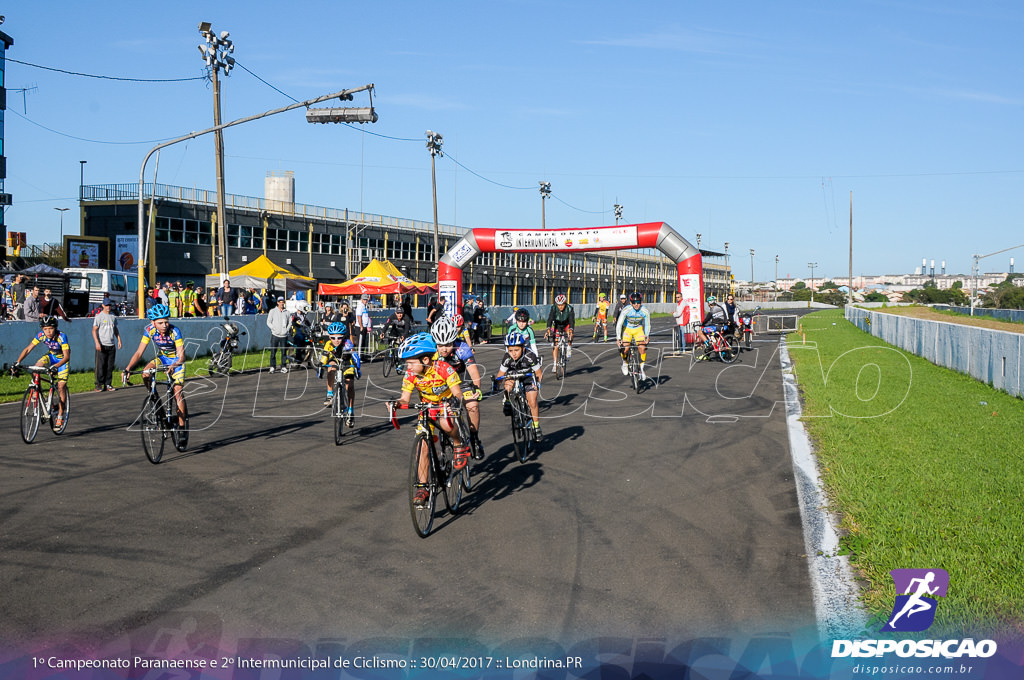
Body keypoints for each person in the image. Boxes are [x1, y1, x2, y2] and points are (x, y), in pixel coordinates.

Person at [391, 332, 469, 507]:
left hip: (446, 405)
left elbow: (457, 392)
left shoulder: (443, 368)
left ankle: (458, 444)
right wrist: (397, 403)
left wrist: (454, 401)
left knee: (445, 423)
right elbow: (405, 398)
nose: (408, 366)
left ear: (425, 360)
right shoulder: (411, 374)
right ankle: (422, 486)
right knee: (422, 447)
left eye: (410, 362)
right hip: (427, 409)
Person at [122, 303, 188, 431]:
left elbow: (182, 357)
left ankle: (181, 427)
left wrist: (174, 365)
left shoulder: (175, 331)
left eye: (166, 322)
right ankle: (154, 399)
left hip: (176, 360)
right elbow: (139, 352)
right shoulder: (149, 330)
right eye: (160, 323)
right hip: (163, 358)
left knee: (177, 392)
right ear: (153, 323)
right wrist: (128, 368)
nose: (164, 325)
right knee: (145, 373)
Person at [431, 316, 485, 458]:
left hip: (461, 381)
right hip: (442, 384)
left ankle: (474, 437)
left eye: (448, 345)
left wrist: (477, 389)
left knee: (472, 405)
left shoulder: (462, 347)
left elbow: (473, 371)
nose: (444, 349)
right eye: (440, 345)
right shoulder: (431, 350)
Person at [14, 316, 71, 428]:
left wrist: (56, 366)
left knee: (61, 386)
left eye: (50, 328)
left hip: (62, 360)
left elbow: (67, 356)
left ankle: (60, 415)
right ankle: (36, 390)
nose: (48, 332)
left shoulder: (61, 337)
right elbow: (28, 349)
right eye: (45, 329)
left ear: (55, 328)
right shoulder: (41, 335)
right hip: (51, 356)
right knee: (36, 368)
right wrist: (17, 362)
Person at [495, 329, 544, 441]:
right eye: (510, 350)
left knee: (532, 401)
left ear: (523, 347)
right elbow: (500, 374)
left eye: (516, 350)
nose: (513, 353)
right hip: (514, 375)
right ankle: (508, 401)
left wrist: (537, 384)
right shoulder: (507, 357)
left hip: (528, 376)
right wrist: (496, 384)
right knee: (507, 384)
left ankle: (536, 426)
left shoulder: (530, 356)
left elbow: (539, 373)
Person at [320, 321, 361, 426]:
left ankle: (350, 411)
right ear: (329, 337)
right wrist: (320, 366)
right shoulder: (328, 344)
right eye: (333, 338)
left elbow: (355, 356)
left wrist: (358, 368)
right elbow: (324, 356)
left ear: (343, 337)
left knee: (349, 385)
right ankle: (329, 395)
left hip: (347, 363)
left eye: (339, 337)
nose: (336, 340)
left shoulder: (347, 343)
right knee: (331, 367)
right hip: (335, 361)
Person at [616, 292, 651, 380]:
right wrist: (618, 338)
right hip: (627, 329)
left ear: (641, 302)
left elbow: (647, 324)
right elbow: (619, 324)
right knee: (625, 348)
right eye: (634, 302)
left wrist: (646, 335)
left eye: (638, 302)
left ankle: (642, 369)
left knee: (642, 347)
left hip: (638, 329)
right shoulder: (626, 310)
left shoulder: (645, 311)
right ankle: (625, 362)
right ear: (631, 303)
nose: (636, 304)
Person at [92, 298, 122, 392]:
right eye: (106, 305)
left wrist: (119, 340)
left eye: (109, 305)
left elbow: (115, 329)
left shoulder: (113, 317)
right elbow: (94, 330)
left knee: (110, 366)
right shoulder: (99, 317)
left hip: (111, 344)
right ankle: (99, 384)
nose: (108, 307)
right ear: (103, 305)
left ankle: (108, 383)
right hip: (102, 344)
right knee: (100, 365)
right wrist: (97, 342)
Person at [544, 293, 575, 374]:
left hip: (566, 324)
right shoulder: (554, 308)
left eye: (562, 305)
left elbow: (572, 320)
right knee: (555, 344)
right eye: (558, 305)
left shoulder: (569, 308)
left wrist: (571, 329)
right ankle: (555, 364)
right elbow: (550, 318)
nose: (560, 307)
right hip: (557, 325)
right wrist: (548, 329)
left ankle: (569, 347)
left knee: (570, 333)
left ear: (565, 303)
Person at [266, 297, 291, 373]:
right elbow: (268, 322)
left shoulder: (287, 312)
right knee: (273, 352)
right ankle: (272, 367)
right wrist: (273, 328)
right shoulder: (272, 311)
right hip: (275, 335)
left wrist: (287, 330)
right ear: (277, 302)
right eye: (280, 302)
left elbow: (290, 322)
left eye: (283, 302)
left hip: (284, 335)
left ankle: (283, 366)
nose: (281, 303)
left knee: (284, 352)